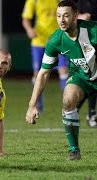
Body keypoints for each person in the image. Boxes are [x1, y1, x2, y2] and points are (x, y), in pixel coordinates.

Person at [25, 0, 97, 160]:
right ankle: (74, 150)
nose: (61, 20)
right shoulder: (55, 40)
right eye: (58, 16)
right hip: (81, 78)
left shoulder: (93, 31)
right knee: (67, 100)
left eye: (66, 15)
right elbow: (43, 74)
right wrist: (32, 105)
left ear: (75, 16)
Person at [22, 0, 69, 112]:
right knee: (38, 74)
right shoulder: (33, 1)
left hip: (57, 40)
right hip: (39, 42)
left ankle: (68, 104)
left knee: (64, 72)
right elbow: (26, 19)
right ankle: (37, 104)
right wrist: (29, 29)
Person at [76, 0, 97, 127]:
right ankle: (90, 113)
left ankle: (76, 110)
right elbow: (72, 16)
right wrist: (82, 17)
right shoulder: (82, 2)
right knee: (92, 79)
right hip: (87, 42)